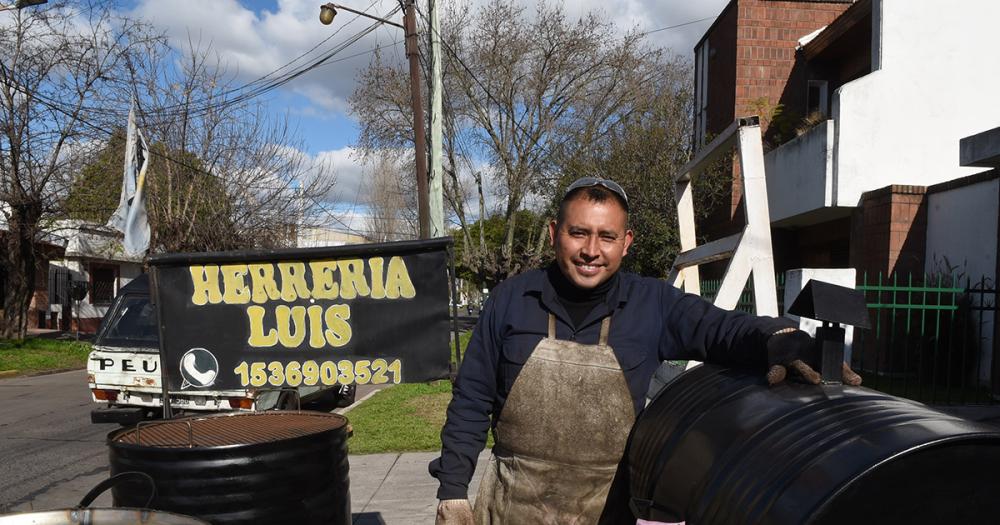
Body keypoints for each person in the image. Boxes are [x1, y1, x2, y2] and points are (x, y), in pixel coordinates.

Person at [430, 176, 860, 524]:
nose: (591, 251)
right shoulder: (510, 299)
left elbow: (721, 329)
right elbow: (471, 401)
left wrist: (777, 338)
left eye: (606, 236)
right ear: (554, 233)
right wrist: (452, 493)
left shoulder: (653, 303)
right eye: (578, 233)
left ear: (627, 241)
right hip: (510, 508)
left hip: (607, 510)